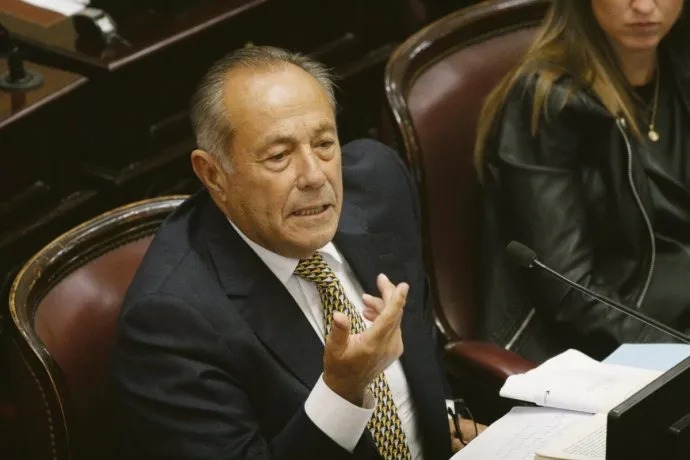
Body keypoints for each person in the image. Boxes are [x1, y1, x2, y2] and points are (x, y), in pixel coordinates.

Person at [112, 45, 478, 459]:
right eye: (279, 156)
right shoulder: (170, 322)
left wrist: (450, 421)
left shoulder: (379, 187)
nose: (315, 175)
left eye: (324, 143)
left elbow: (423, 360)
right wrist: (342, 391)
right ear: (213, 175)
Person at [475, 0, 690, 363]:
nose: (643, 6)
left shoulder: (677, 67)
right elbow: (569, 295)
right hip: (607, 347)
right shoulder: (548, 101)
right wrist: (679, 355)